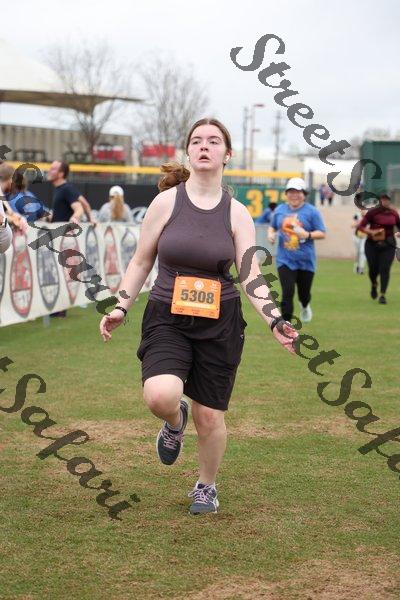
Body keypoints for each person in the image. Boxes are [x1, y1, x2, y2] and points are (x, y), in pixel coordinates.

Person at [99, 118, 298, 516]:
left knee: (209, 417)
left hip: (220, 323)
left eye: (213, 141)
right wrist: (121, 305)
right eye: (197, 141)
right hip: (167, 317)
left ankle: (206, 486)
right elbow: (141, 261)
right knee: (160, 395)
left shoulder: (237, 213)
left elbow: (250, 274)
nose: (204, 146)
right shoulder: (166, 203)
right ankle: (175, 422)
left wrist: (275, 320)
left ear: (227, 154)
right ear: (188, 152)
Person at [268, 177, 326, 323]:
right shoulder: (280, 210)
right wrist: (271, 235)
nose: (294, 195)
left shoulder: (312, 212)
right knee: (287, 292)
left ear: (304, 194)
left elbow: (322, 233)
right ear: (286, 194)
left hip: (306, 261)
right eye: (291, 192)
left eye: (298, 192)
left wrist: (307, 235)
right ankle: (286, 325)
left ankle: (305, 305)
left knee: (304, 294)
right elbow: (272, 226)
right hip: (285, 260)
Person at [356, 192, 400, 304]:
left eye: (387, 200)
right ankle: (374, 284)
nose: (385, 202)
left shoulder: (394, 213)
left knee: (385, 269)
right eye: (383, 200)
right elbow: (360, 226)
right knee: (373, 269)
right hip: (372, 244)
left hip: (388, 245)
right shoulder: (372, 213)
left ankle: (382, 295)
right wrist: (370, 231)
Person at [351, 198, 367, 274]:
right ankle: (356, 266)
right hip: (356, 236)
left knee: (362, 251)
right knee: (358, 252)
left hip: (365, 237)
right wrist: (359, 222)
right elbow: (352, 225)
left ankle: (361, 268)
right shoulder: (356, 216)